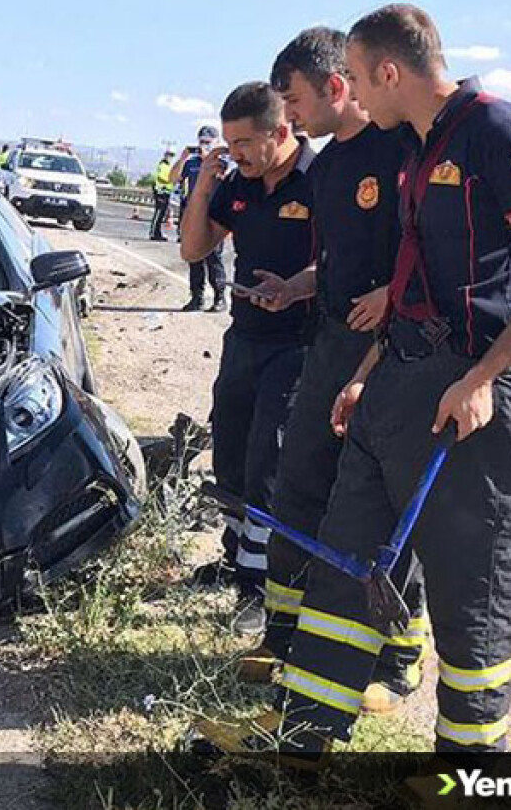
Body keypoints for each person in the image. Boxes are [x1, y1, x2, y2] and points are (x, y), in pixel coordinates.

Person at [195, 4, 511, 762]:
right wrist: (368, 373)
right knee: (347, 558)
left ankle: (469, 762)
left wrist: (484, 375)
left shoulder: (496, 133)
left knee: (471, 579)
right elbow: (415, 282)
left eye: (355, 78)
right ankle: (305, 734)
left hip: (469, 394)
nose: (350, 95)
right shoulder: (415, 146)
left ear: (387, 71)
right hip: (395, 379)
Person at [234, 27, 427, 717]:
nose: (287, 117)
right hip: (331, 341)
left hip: (393, 351)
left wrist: (393, 296)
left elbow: (425, 248)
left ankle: (397, 656)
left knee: (380, 505)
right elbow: (338, 262)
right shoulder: (329, 168)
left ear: (336, 87)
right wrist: (296, 285)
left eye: (292, 100)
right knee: (300, 482)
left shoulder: (400, 148)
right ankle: (285, 634)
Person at [179, 83, 314, 636]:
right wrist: (206, 184)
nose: (235, 154)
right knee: (231, 454)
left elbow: (348, 263)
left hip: (298, 344)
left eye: (243, 143)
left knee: (269, 464)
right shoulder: (238, 183)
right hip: (245, 337)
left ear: (280, 132)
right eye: (228, 144)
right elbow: (193, 249)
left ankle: (262, 589)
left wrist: (296, 288)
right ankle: (236, 560)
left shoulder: (321, 181)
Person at [171, 125, 229, 312]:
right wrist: (182, 158)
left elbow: (225, 179)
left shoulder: (222, 162)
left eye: (208, 142)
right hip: (194, 214)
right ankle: (197, 297)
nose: (203, 145)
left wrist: (208, 160)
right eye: (201, 141)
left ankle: (220, 297)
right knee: (194, 256)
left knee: (213, 257)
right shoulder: (191, 162)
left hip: (214, 215)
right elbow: (173, 178)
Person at [149, 150, 175, 241]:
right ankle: (153, 233)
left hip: (166, 192)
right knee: (159, 212)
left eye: (172, 156)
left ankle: (157, 232)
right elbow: (161, 177)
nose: (170, 157)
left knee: (162, 214)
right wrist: (172, 179)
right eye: (169, 155)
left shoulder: (168, 166)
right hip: (160, 191)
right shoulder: (162, 165)